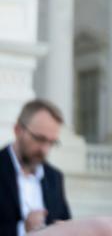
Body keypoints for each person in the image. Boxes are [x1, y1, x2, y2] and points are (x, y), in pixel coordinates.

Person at [1, 100, 71, 236]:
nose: (45, 149)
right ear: (18, 130)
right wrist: (21, 230)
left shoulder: (55, 177)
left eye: (52, 142)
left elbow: (66, 222)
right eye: (39, 139)